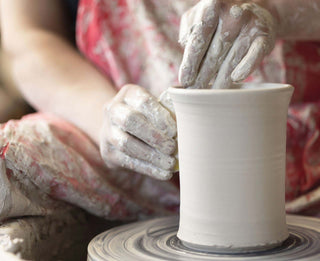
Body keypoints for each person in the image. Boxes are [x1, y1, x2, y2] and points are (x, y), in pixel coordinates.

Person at [1, 0, 320, 221]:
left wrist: (275, 11)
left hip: (307, 144)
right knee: (8, 163)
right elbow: (27, 39)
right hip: (130, 146)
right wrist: (105, 118)